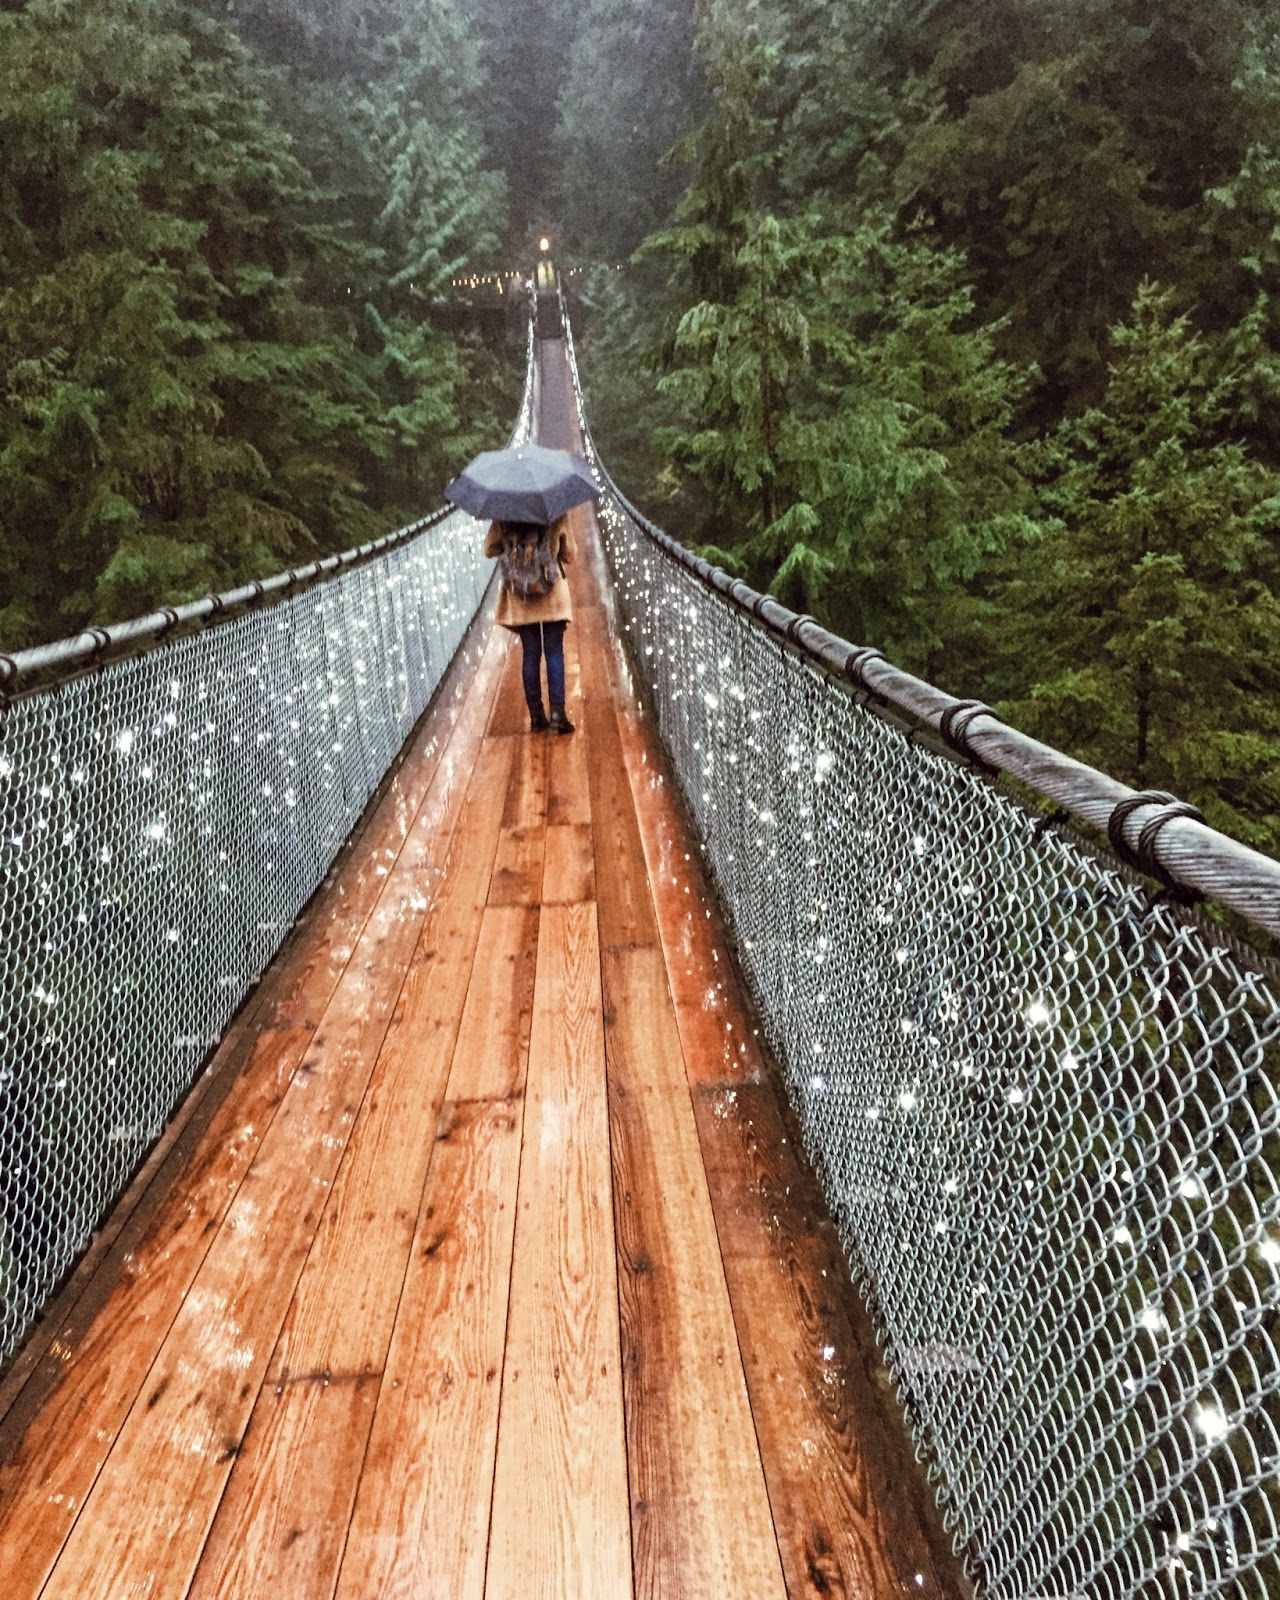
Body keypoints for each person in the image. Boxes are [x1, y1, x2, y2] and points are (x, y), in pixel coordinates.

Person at [484, 513, 577, 733]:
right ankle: (558, 715)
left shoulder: (504, 512)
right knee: (554, 652)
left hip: (522, 596)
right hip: (552, 593)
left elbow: (489, 549)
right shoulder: (556, 511)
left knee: (530, 654)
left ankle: (536, 717)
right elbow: (570, 555)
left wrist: (513, 549)